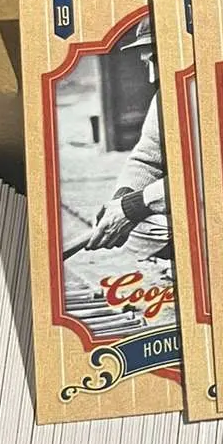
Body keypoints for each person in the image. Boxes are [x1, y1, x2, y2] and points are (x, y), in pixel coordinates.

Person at [83, 16, 172, 268]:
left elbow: (203, 179)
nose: (152, 77)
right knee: (133, 229)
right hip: (187, 201)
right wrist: (120, 201)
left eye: (157, 60)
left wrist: (132, 207)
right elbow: (146, 159)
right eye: (147, 64)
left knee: (146, 222)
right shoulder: (165, 96)